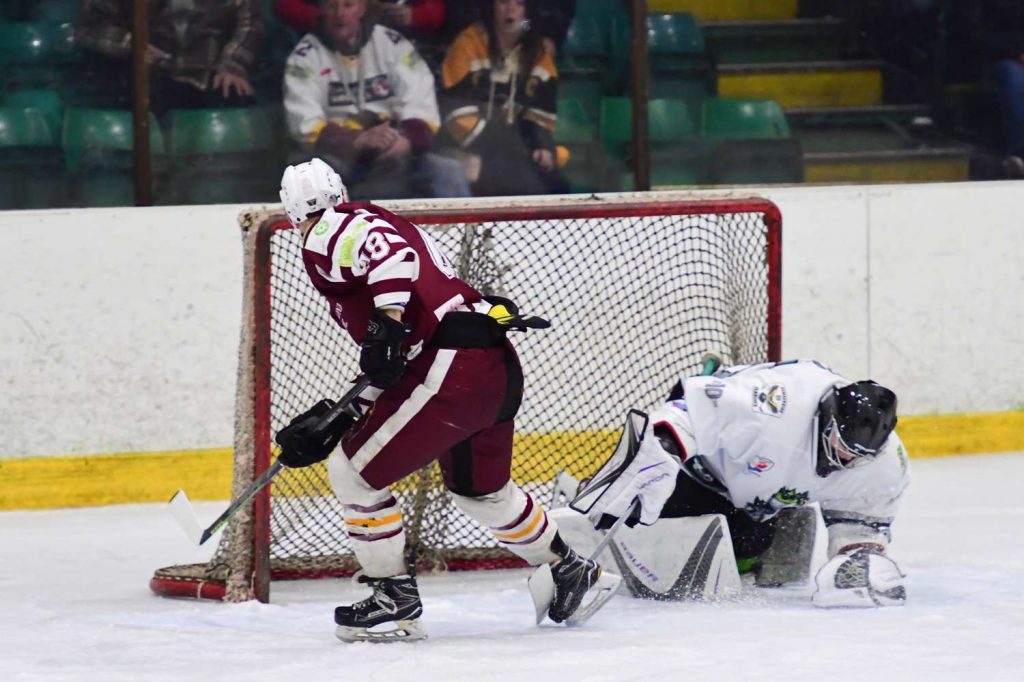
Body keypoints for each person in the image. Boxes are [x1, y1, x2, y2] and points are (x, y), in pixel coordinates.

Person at [273, 158, 617, 642]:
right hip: (489, 363)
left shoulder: (327, 231)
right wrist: (349, 407)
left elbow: (392, 269)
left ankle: (391, 594)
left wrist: (387, 320)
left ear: (292, 212)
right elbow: (396, 353)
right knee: (482, 492)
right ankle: (569, 569)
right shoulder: (377, 218)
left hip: (450, 370)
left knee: (352, 474)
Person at [571, 358, 910, 608]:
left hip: (759, 495)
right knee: (645, 518)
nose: (845, 460)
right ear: (828, 414)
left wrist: (857, 554)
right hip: (702, 464)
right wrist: (665, 448)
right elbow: (688, 407)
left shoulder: (885, 462)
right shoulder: (773, 406)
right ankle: (585, 499)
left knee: (747, 547)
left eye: (857, 456)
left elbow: (861, 521)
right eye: (839, 445)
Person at [282, 0, 469, 199]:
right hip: (339, 158)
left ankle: (461, 230)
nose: (340, 14)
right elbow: (304, 124)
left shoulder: (392, 44)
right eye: (331, 6)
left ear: (362, 8)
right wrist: (357, 140)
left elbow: (421, 101)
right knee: (308, 176)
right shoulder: (304, 57)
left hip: (394, 150)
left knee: (448, 172)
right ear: (320, 9)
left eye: (348, 5)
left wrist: (406, 140)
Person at [437, 0, 569, 196]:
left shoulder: (538, 54)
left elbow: (540, 117)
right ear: (491, 6)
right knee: (521, 183)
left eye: (520, 3)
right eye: (503, 2)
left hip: (514, 155)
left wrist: (543, 148)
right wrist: (515, 148)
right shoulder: (467, 45)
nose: (511, 9)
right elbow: (456, 117)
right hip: (463, 150)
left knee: (556, 184)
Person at [74, 0, 265, 113]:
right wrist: (130, 45)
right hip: (144, 78)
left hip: (209, 77)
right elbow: (89, 28)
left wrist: (233, 65)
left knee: (235, 97)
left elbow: (249, 25)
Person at [948, 1, 1024, 176]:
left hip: (1014, 54)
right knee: (1015, 77)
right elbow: (971, 35)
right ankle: (1020, 152)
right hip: (990, 61)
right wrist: (1016, 52)